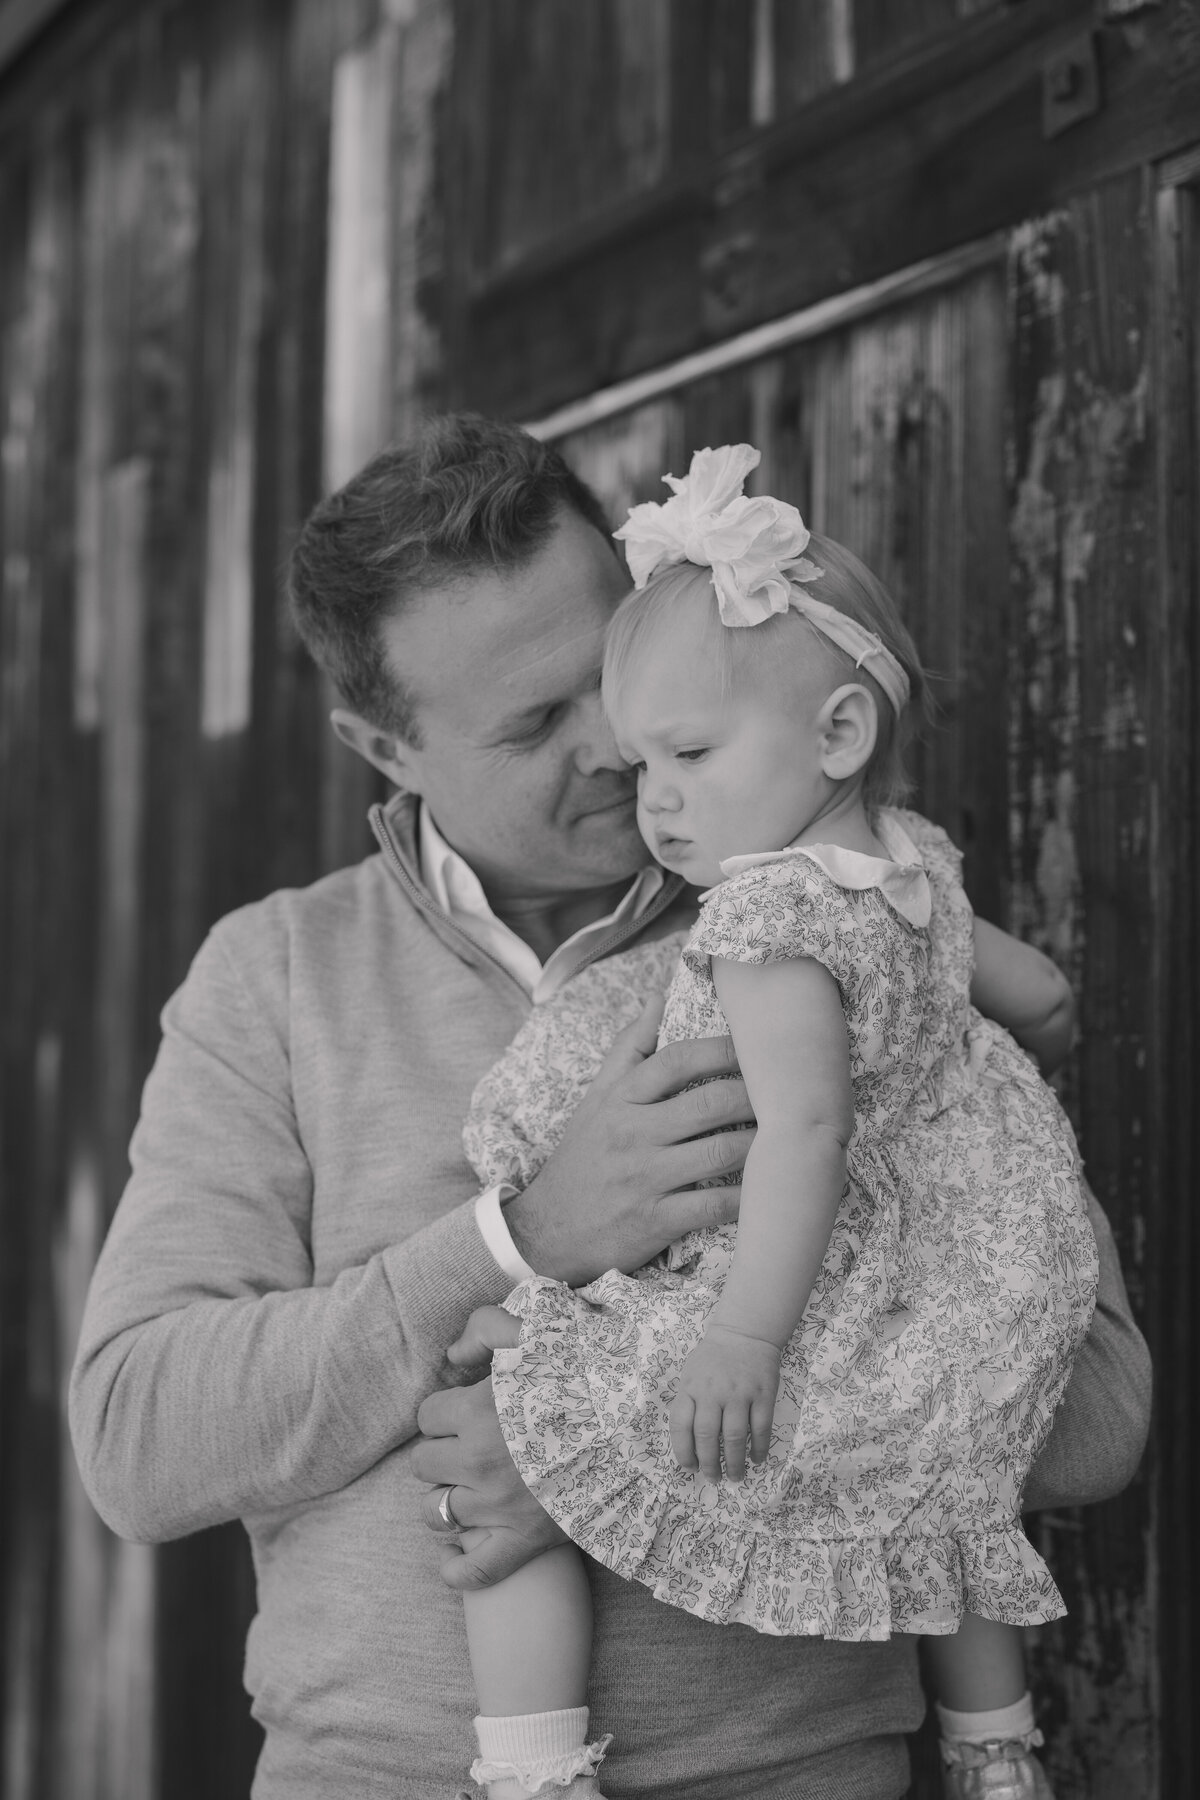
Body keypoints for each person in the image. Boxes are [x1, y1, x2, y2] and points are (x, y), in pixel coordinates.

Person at [68, 415, 1151, 1800]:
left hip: (790, 1769)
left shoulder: (843, 915)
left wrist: (608, 1459)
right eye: (533, 723)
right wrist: (517, 1238)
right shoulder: (277, 979)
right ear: (381, 747)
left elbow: (1098, 1415)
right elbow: (141, 1440)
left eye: (612, 675)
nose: (615, 752)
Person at [444, 445, 1097, 1800]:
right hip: (969, 1240)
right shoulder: (911, 857)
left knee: (531, 1383)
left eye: (685, 755)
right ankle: (996, 1751)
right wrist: (1016, 1052)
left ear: (840, 734)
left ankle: (531, 1768)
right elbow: (1031, 987)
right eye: (643, 764)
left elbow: (801, 1134)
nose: (653, 799)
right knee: (945, 1485)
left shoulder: (763, 921)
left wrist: (742, 1337)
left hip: (815, 1247)